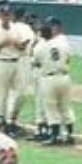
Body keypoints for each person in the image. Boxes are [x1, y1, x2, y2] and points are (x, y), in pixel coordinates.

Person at [32, 17, 74, 145]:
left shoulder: (40, 47)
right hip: (64, 77)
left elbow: (36, 63)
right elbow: (68, 58)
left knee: (51, 107)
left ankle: (55, 136)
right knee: (65, 106)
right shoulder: (63, 43)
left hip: (49, 78)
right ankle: (69, 135)